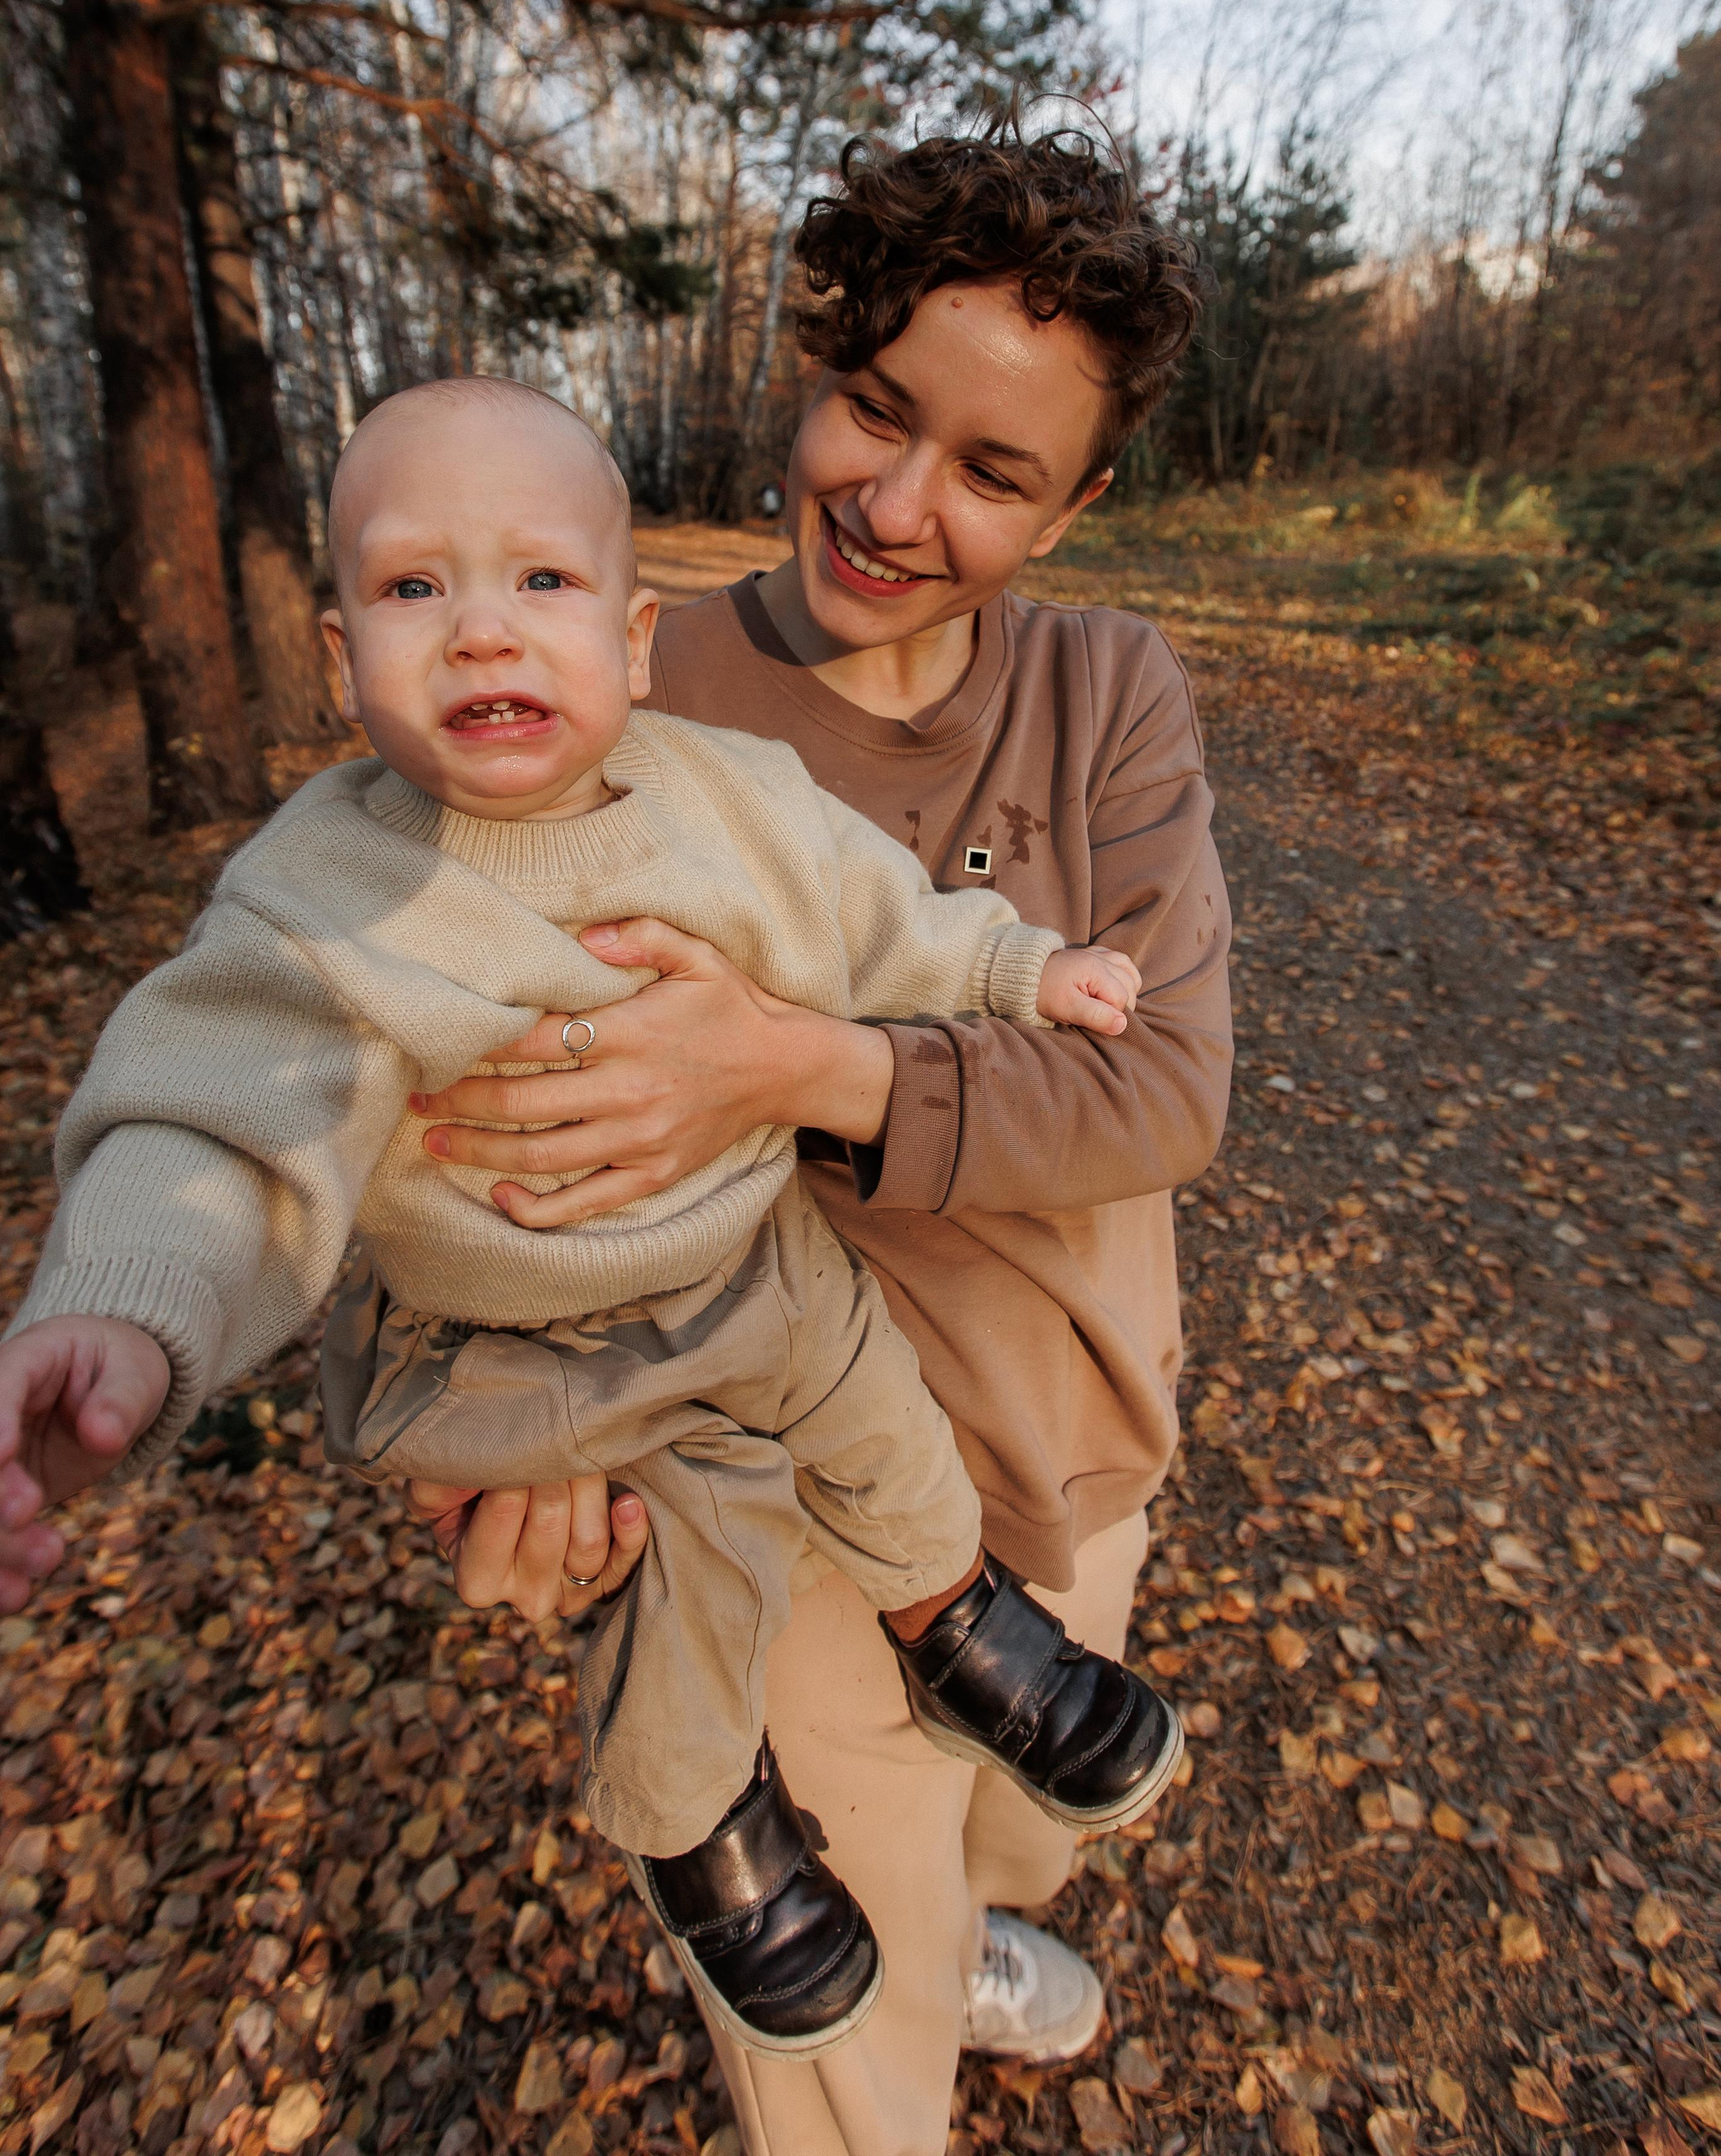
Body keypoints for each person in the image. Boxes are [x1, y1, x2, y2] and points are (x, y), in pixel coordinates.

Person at [0, 376, 1186, 2061]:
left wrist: (1020, 966)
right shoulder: (331, 890)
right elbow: (219, 1114)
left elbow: (886, 919)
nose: (483, 631)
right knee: (679, 1549)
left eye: (539, 583)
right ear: (340, 665)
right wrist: (121, 1309)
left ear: (632, 645)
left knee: (873, 1408)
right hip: (515, 1341)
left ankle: (955, 1624)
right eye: (416, 589)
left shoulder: (733, 801)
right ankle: (698, 1824)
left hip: (749, 1256)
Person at [401, 126, 1234, 2151]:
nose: (898, 498)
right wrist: (488, 1428)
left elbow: (1165, 1086)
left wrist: (794, 1064)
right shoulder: (631, 681)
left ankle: (968, 1933)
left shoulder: (1108, 695)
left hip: (1080, 1437)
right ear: (821, 357)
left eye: (994, 470)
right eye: (878, 406)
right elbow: (457, 1086)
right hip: (769, 1496)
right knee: (846, 2068)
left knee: (1029, 1819)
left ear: (1079, 505)